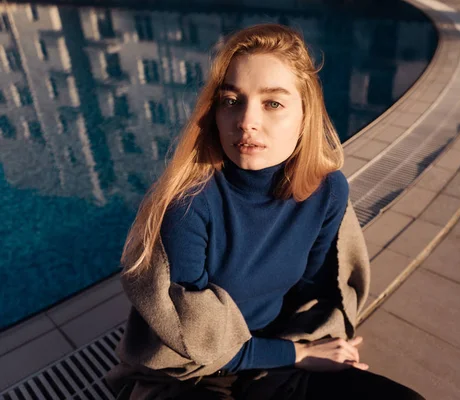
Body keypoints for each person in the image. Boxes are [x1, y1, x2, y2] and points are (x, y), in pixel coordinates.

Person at [106, 23, 425, 400]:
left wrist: (308, 345)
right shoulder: (189, 202)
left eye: (272, 103)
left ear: (305, 114)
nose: (246, 121)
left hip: (277, 348)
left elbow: (313, 290)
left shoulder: (327, 192)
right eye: (231, 101)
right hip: (192, 371)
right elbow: (201, 340)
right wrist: (299, 354)